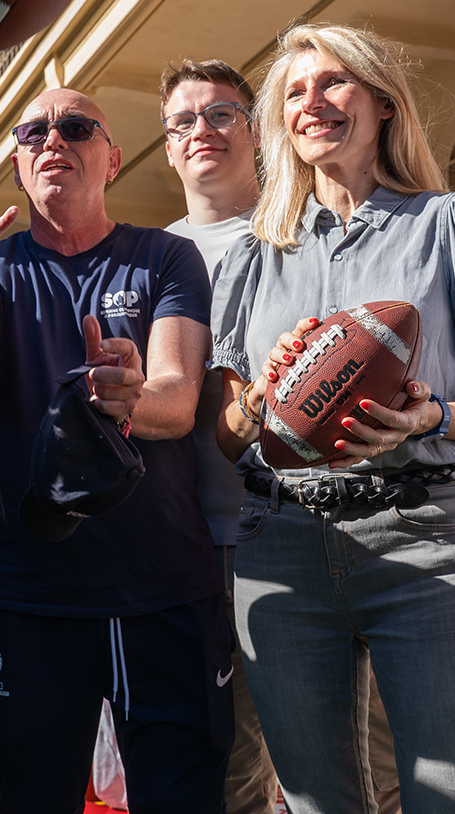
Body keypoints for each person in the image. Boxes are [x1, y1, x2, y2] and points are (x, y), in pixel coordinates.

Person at [212, 23, 455, 814]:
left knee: (454, 802)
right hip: (280, 542)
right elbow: (225, 432)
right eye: (294, 92)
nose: (312, 103)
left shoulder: (453, 222)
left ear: (383, 103)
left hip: (422, 536)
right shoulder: (253, 258)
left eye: (334, 83)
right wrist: (256, 403)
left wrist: (430, 415)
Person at [0, 88, 232, 814]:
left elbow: (179, 396)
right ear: (19, 163)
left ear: (113, 159)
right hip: (35, 594)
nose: (52, 138)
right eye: (34, 130)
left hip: (164, 589)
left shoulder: (165, 256)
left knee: (182, 796)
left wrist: (129, 397)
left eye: (76, 126)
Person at [157, 58, 281, 814]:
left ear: (255, 129)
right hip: (186, 545)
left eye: (221, 114)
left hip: (299, 525)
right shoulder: (149, 255)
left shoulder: (305, 230)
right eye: (184, 121)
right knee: (223, 764)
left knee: (330, 760)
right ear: (167, 146)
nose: (202, 130)